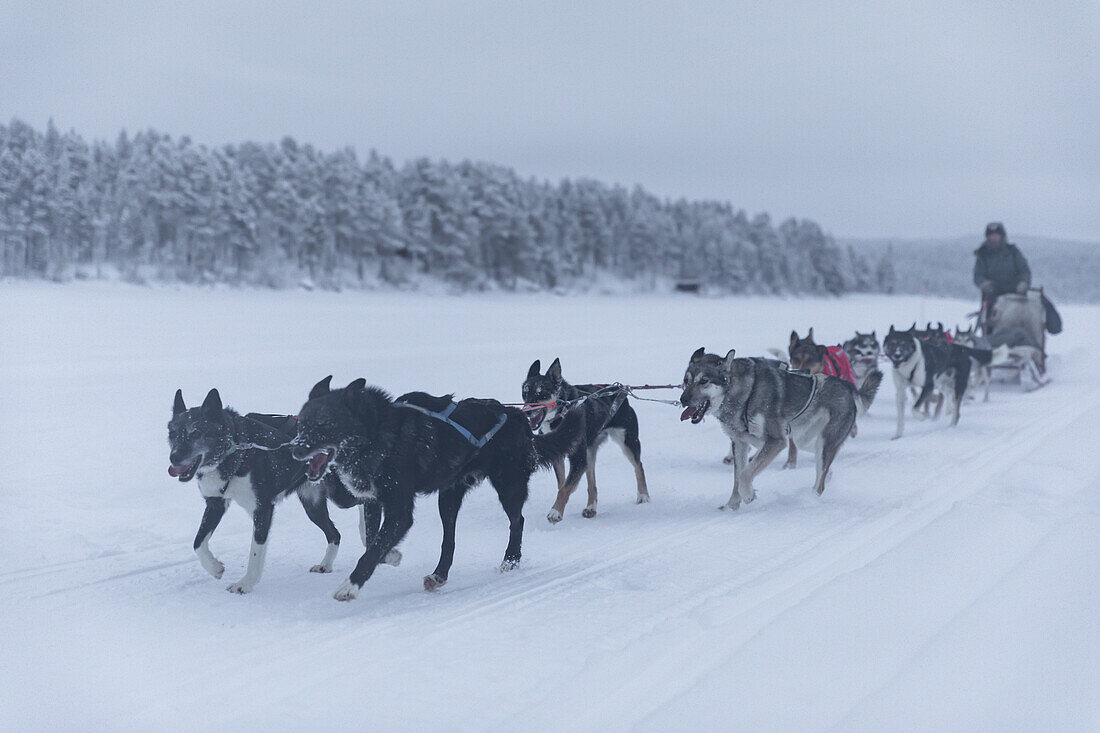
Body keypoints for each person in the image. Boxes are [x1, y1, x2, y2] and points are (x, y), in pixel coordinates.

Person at [973, 222, 1061, 334]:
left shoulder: (1013, 251)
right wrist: (984, 284)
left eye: (996, 235)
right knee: (990, 325)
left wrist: (1023, 283)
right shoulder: (983, 254)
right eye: (991, 235)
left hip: (1015, 294)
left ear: (1002, 236)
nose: (994, 238)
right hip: (992, 296)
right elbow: (978, 275)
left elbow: (1024, 270)